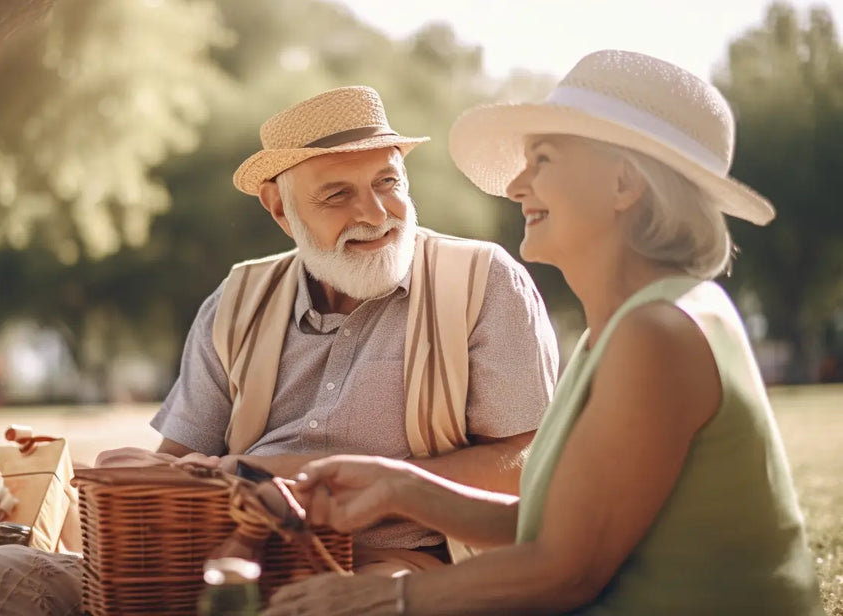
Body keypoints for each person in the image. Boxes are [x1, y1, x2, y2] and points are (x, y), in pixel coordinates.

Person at [263, 50, 826, 615]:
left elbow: (568, 572)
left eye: (544, 160)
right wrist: (399, 488)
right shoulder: (625, 327)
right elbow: (557, 528)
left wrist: (383, 596)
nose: (516, 186)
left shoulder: (657, 333)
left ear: (623, 182)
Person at [123, 85, 559, 572]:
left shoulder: (483, 280)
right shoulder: (236, 299)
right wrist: (141, 473)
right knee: (23, 572)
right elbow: (181, 460)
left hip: (404, 563)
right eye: (337, 194)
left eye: (387, 183)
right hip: (243, 554)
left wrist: (368, 484)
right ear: (280, 210)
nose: (375, 215)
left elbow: (526, 466)